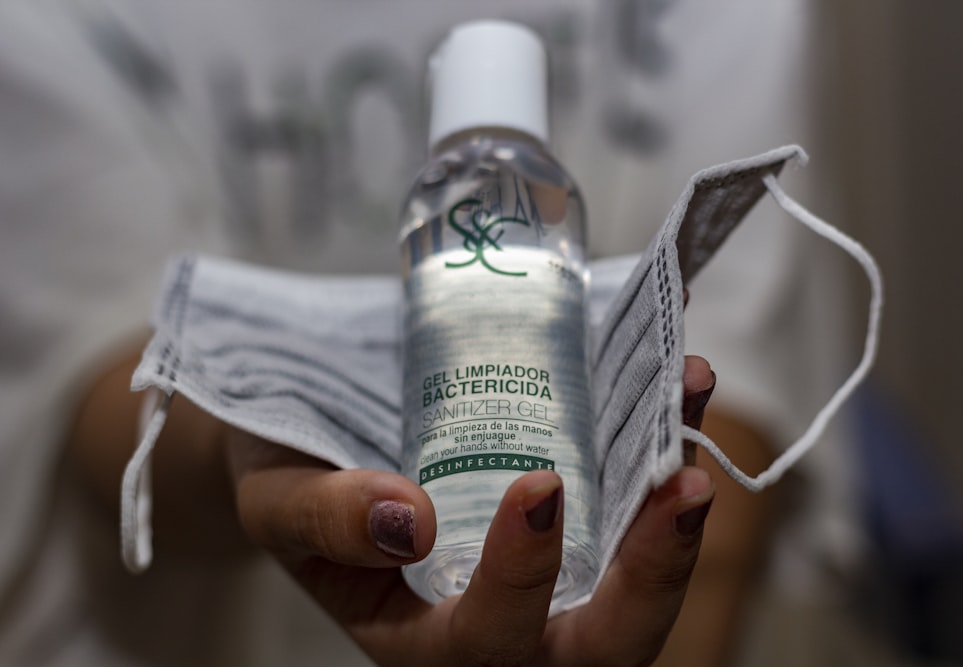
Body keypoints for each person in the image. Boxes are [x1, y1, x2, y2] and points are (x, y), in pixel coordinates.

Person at [0, 1, 852, 665]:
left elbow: (736, 380)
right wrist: (243, 434)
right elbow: (96, 370)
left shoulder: (550, 181)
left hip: (591, 564)